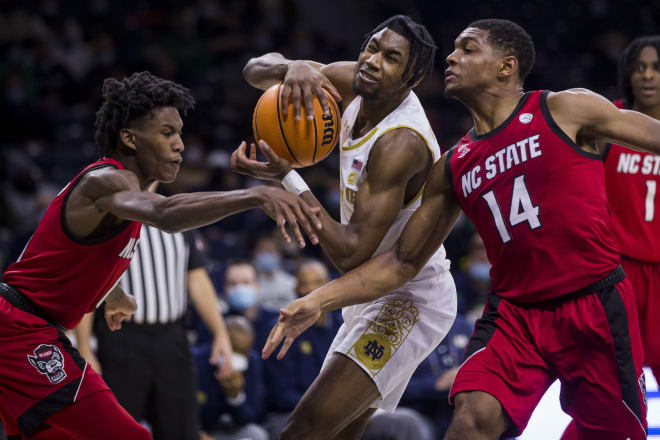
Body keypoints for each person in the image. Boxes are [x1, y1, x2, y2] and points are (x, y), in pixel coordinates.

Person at [261, 19, 660, 440]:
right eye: (454, 49)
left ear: (506, 67)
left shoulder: (563, 109)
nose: (451, 57)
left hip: (591, 304)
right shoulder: (454, 163)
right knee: (470, 421)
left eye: (468, 49)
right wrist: (318, 300)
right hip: (515, 315)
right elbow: (400, 262)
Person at [0, 71, 320, 440]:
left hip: (27, 330)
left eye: (180, 133)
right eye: (167, 133)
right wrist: (254, 196)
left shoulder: (121, 195)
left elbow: (77, 251)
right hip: (21, 332)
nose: (180, 145)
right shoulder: (107, 180)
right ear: (129, 138)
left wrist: (111, 293)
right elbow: (167, 215)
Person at [234, 14, 457, 440]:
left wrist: (288, 177)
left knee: (302, 431)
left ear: (411, 78)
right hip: (364, 287)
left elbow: (351, 251)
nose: (372, 61)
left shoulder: (401, 143)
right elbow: (252, 71)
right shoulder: (350, 80)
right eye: (371, 47)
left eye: (391, 58)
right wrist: (293, 66)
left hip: (409, 295)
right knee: (336, 435)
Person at [75, 221, 233, 440]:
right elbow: (88, 283)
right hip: (121, 338)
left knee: (182, 429)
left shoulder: (180, 218)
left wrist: (220, 332)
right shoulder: (110, 221)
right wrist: (84, 347)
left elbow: (197, 279)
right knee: (116, 429)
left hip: (173, 338)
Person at [604, 36, 660, 384]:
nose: (647, 76)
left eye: (656, 68)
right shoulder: (607, 123)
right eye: (639, 68)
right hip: (620, 271)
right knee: (612, 383)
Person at [262, 260, 342, 438]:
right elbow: (281, 395)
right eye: (304, 283)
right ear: (295, 288)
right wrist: (325, 408)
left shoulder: (343, 325)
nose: (310, 290)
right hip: (289, 413)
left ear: (329, 286)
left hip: (338, 411)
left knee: (403, 422)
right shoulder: (281, 329)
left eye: (317, 283)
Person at [194, 315, 268, 440]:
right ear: (219, 342)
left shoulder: (253, 362)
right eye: (234, 349)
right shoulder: (197, 361)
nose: (238, 357)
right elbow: (191, 414)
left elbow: (251, 417)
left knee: (256, 434)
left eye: (244, 352)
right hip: (202, 430)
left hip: (232, 432)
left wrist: (235, 397)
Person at [252, 235, 297, 312]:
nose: (266, 255)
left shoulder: (291, 282)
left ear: (279, 255)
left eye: (270, 251)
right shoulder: (250, 283)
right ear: (255, 254)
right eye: (262, 251)